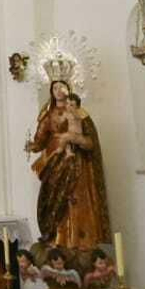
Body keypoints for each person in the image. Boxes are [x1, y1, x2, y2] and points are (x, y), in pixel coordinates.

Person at [26, 78, 112, 248]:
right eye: (55, 88)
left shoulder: (81, 114)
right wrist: (31, 146)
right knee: (55, 199)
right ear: (51, 92)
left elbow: (91, 142)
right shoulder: (48, 115)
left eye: (62, 87)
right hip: (55, 162)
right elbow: (40, 140)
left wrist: (75, 138)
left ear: (69, 89)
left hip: (78, 164)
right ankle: (56, 239)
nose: (58, 91)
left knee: (77, 199)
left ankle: (81, 242)